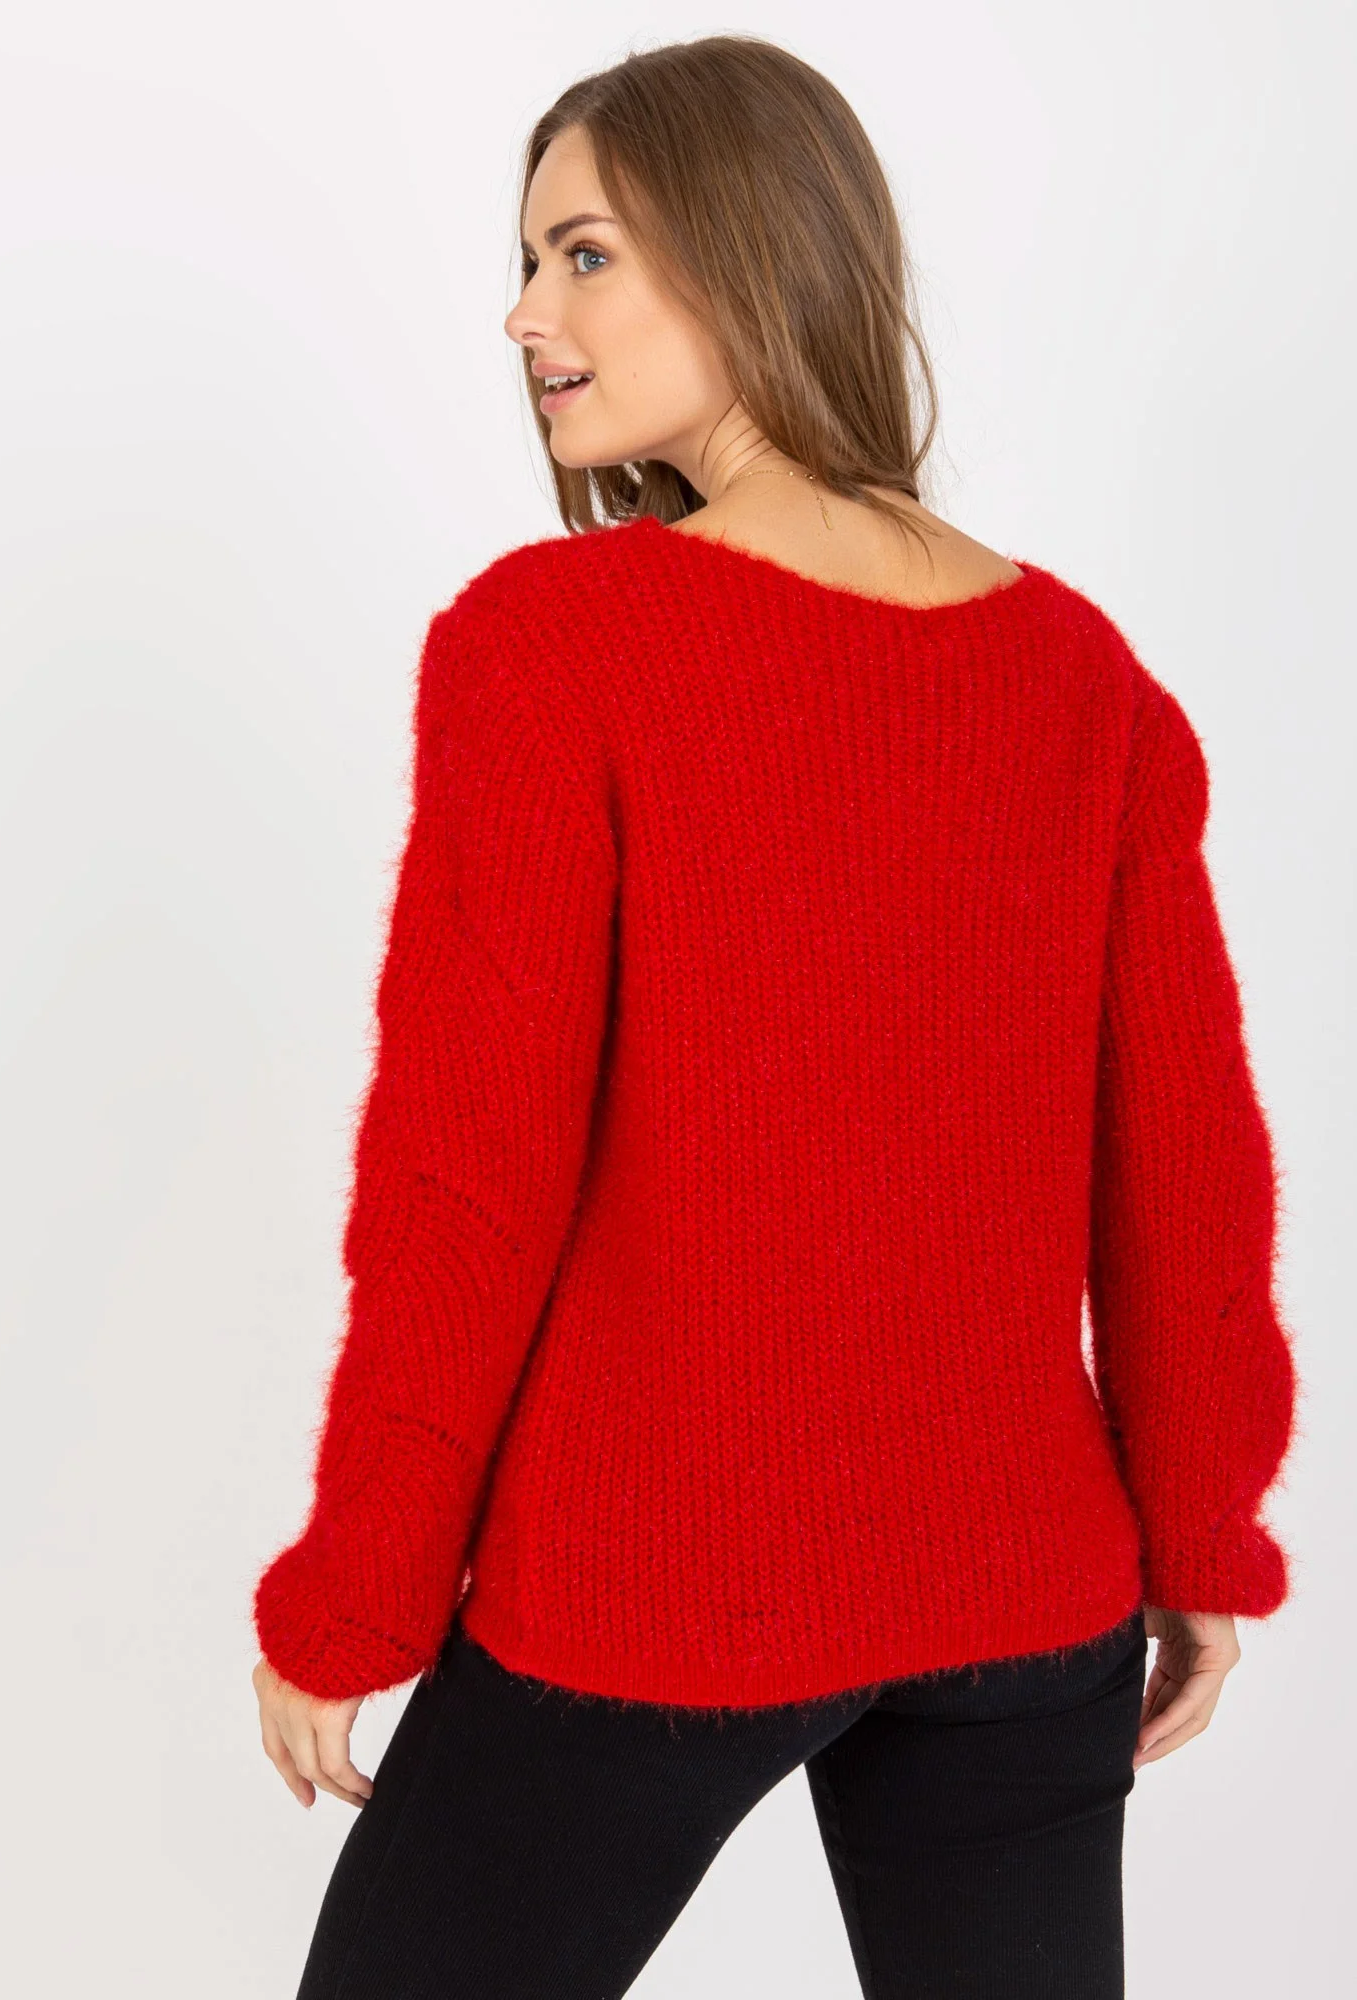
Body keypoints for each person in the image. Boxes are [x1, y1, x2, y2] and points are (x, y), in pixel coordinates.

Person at [248, 33, 1300, 1999]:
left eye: (582, 254)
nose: (524, 313)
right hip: (1029, 1602)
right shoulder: (1083, 678)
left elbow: (467, 1181)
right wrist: (1195, 1537)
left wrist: (360, 1586)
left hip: (654, 1589)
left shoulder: (553, 649)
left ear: (744, 252)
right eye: (528, 261)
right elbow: (1184, 1165)